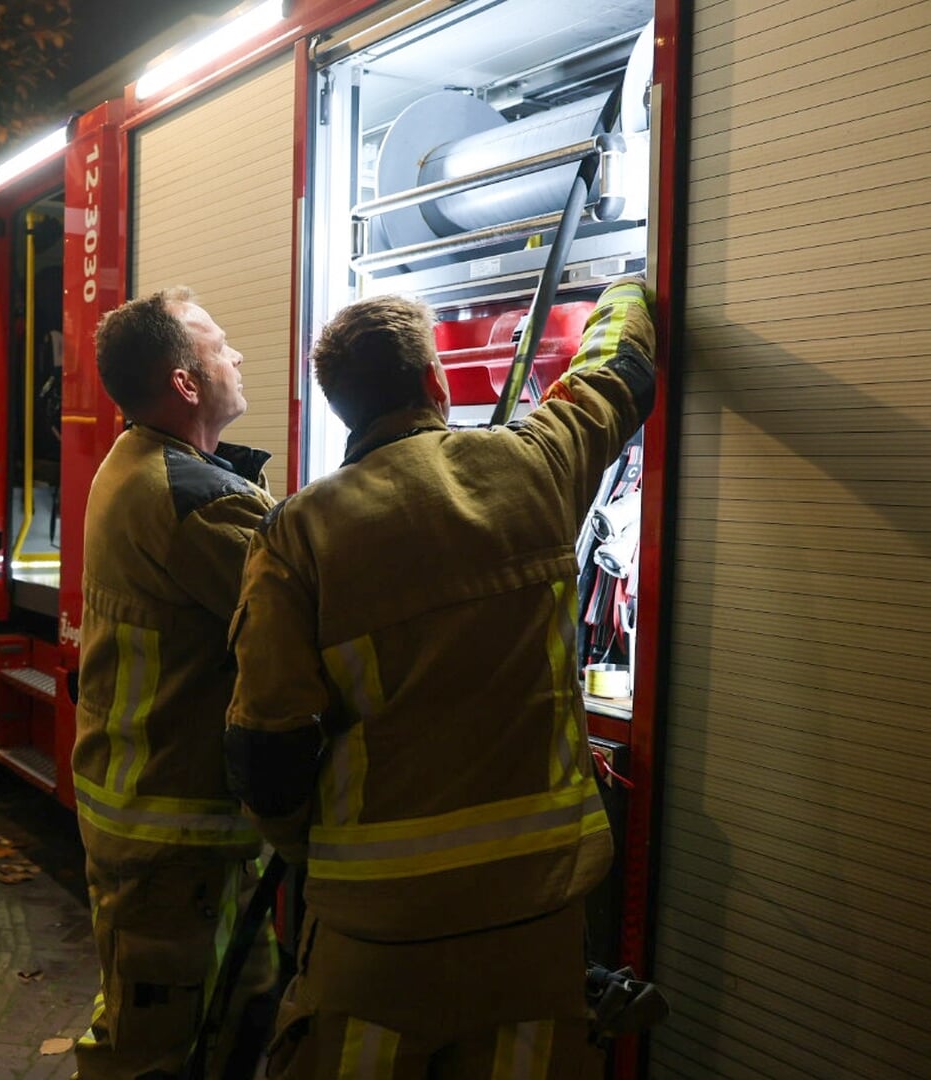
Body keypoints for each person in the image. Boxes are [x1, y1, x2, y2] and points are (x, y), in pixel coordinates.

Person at [225, 279, 657, 1077]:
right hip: (536, 921)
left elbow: (267, 753)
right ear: (436, 381)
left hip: (374, 934)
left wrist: (312, 854)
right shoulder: (534, 463)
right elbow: (618, 377)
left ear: (341, 409)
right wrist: (628, 288)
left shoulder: (297, 534)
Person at [72, 288, 280, 1079]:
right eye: (221, 347)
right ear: (186, 383)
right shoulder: (195, 500)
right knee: (151, 1052)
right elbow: (315, 610)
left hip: (164, 830)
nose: (237, 357)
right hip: (174, 839)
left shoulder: (139, 466)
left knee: (234, 1012)